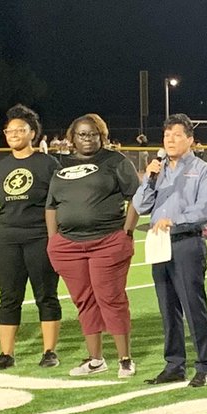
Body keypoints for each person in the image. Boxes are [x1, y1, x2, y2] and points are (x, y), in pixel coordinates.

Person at [47, 114, 140, 378]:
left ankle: (125, 359)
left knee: (110, 298)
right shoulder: (61, 166)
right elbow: (51, 205)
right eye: (82, 134)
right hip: (69, 244)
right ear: (71, 138)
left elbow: (136, 196)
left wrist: (127, 231)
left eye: (93, 134)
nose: (87, 139)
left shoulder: (115, 161)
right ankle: (96, 359)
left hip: (107, 240)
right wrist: (54, 240)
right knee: (84, 301)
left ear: (102, 135)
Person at [133, 114, 207, 387]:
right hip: (160, 244)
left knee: (193, 306)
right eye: (167, 135)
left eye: (177, 135)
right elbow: (140, 205)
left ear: (190, 140)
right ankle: (174, 364)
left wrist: (177, 219)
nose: (170, 140)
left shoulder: (202, 170)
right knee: (167, 308)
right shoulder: (158, 171)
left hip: (186, 242)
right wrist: (148, 178)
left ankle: (204, 365)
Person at [0, 104, 62, 369]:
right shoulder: (1, 166)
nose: (14, 134)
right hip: (7, 237)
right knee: (9, 297)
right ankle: (6, 354)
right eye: (10, 130)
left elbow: (56, 202)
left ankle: (49, 351)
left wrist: (54, 236)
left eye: (20, 129)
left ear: (33, 133)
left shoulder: (48, 163)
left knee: (46, 294)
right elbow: (2, 202)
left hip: (39, 236)